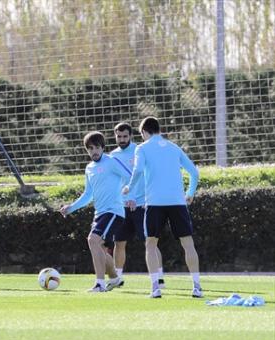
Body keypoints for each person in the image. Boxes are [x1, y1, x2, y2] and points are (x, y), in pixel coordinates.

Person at [123, 116, 202, 298]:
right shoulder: (174, 148)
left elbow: (138, 171)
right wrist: (189, 193)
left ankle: (155, 288)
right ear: (158, 130)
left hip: (155, 203)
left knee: (151, 244)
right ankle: (197, 287)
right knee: (188, 243)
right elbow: (194, 172)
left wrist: (129, 187)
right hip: (177, 201)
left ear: (144, 132)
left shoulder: (142, 148)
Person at [59, 131, 130, 292]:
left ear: (103, 148)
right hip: (100, 214)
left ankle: (99, 284)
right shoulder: (89, 168)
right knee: (100, 249)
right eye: (90, 148)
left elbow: (130, 176)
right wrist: (71, 208)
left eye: (97, 147)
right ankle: (114, 278)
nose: (94, 151)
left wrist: (129, 192)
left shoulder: (111, 161)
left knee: (92, 240)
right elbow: (88, 194)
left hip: (113, 212)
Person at [107, 122, 164, 291]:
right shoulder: (112, 156)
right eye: (119, 136)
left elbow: (146, 175)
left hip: (141, 205)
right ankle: (118, 277)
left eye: (125, 136)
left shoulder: (140, 150)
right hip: (122, 207)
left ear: (131, 136)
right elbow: (115, 182)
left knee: (150, 242)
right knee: (119, 243)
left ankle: (159, 277)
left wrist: (143, 198)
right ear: (115, 136)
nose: (122, 139)